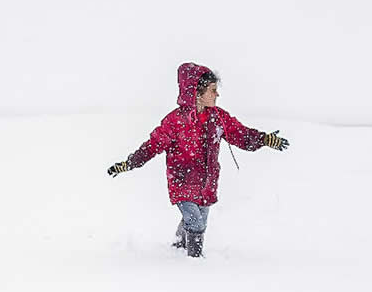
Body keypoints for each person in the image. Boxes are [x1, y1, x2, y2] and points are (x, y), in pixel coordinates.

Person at [107, 63, 289, 257]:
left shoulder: (218, 117)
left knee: (199, 220)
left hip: (207, 183)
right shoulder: (175, 121)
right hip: (182, 181)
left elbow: (240, 134)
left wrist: (264, 139)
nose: (216, 95)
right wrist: (130, 163)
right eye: (212, 90)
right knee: (196, 223)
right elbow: (153, 145)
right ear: (197, 92)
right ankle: (194, 262)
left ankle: (178, 245)